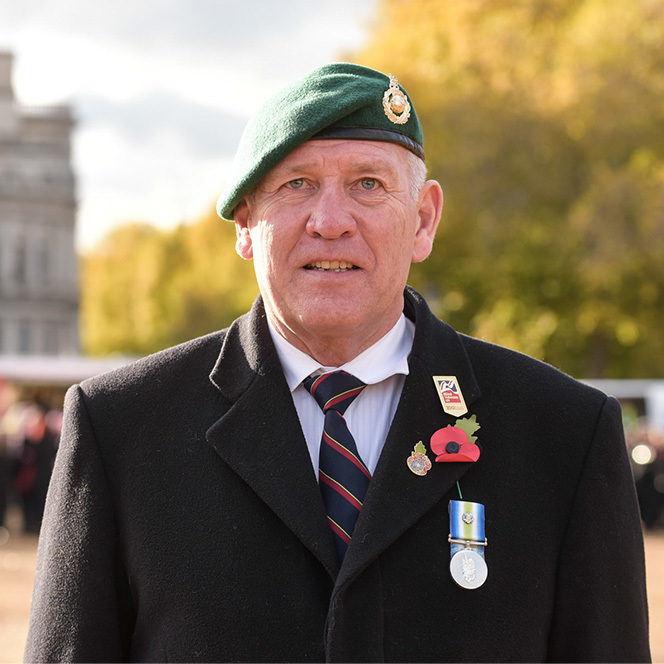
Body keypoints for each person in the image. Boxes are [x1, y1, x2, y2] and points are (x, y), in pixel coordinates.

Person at [25, 63, 650, 662]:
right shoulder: (122, 430)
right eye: (296, 184)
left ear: (425, 220)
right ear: (245, 223)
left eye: (368, 185)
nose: (330, 222)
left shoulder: (564, 436)